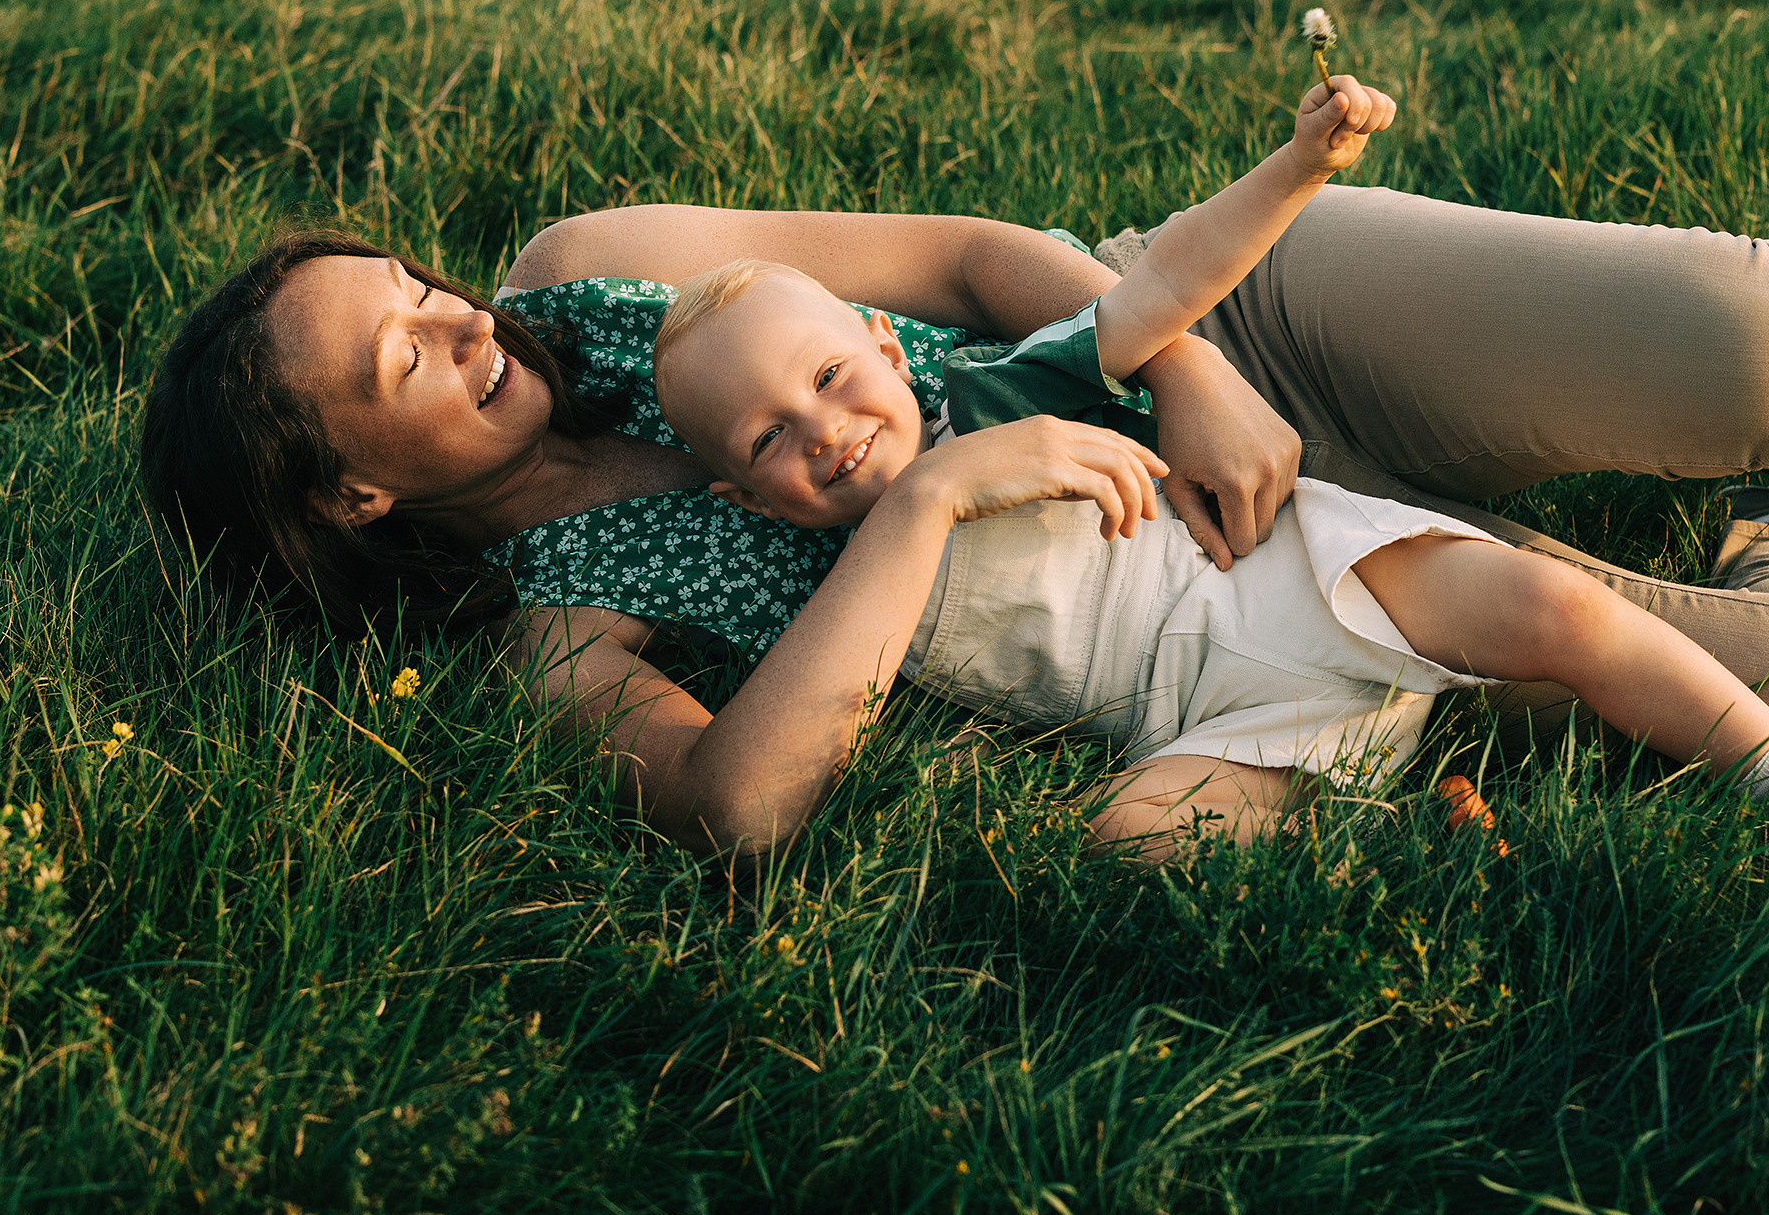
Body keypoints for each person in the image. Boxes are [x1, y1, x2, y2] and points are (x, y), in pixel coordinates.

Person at [140, 70, 1769, 863]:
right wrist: (920, 503)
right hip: (1200, 596)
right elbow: (734, 810)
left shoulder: (589, 268)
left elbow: (979, 257)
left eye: (419, 285)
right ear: (351, 493)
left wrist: (1195, 372)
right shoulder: (556, 633)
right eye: (403, 359)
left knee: (1738, 328)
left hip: (1193, 320)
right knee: (1705, 660)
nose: (459, 319)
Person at [648, 249, 1769, 856]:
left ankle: (1756, 755)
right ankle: (1398, 829)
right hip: (1225, 723)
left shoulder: (990, 397)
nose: (822, 430)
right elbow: (835, 739)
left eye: (829, 376)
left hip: (1299, 575)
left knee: (1559, 612)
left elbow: (1156, 294)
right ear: (747, 500)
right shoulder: (858, 597)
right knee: (1121, 838)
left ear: (889, 348)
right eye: (767, 439)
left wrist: (1298, 162)